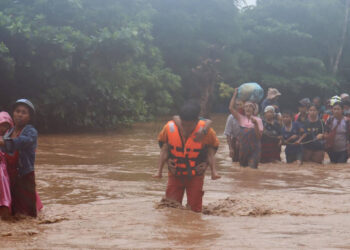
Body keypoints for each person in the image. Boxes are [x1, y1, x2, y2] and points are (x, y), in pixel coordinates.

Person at [154, 101, 220, 212]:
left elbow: (212, 150)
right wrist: (167, 162)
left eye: (189, 125)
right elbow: (163, 146)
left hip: (196, 174)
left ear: (196, 121)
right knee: (171, 208)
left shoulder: (207, 132)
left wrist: (207, 165)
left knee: (194, 211)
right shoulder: (169, 128)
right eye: (183, 125)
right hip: (175, 173)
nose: (186, 128)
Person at [0, 99, 43, 217]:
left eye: (24, 112)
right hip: (10, 176)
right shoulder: (9, 131)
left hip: (24, 175)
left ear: (29, 117)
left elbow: (21, 142)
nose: (20, 114)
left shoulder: (31, 132)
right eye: (17, 111)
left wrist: (3, 142)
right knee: (14, 211)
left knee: (27, 214)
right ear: (13, 113)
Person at [229, 89, 263, 169]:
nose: (248, 108)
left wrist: (256, 125)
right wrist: (235, 94)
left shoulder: (258, 120)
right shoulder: (241, 118)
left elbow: (259, 137)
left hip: (254, 150)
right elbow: (230, 108)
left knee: (252, 171)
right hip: (243, 149)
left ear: (253, 109)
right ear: (243, 109)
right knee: (243, 171)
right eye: (246, 106)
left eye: (250, 106)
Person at [0, 112, 14, 219]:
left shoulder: (11, 139)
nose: (2, 128)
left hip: (8, 170)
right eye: (1, 125)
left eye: (5, 125)